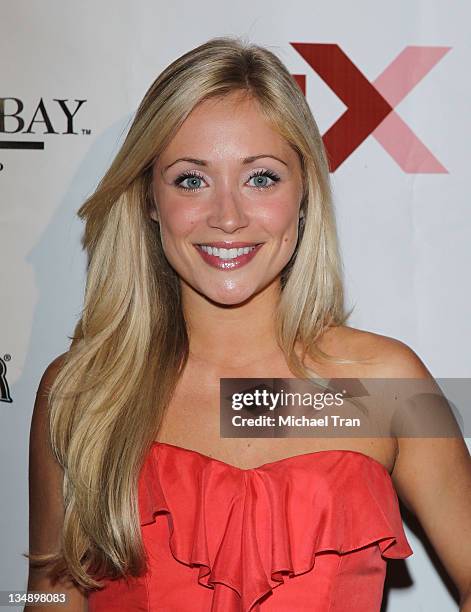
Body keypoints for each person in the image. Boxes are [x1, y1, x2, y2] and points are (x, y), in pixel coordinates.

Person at [25, 36, 471, 611]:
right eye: (191, 179)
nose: (228, 216)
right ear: (149, 200)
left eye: (261, 177)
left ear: (304, 191)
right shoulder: (82, 391)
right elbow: (49, 592)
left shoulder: (385, 385)